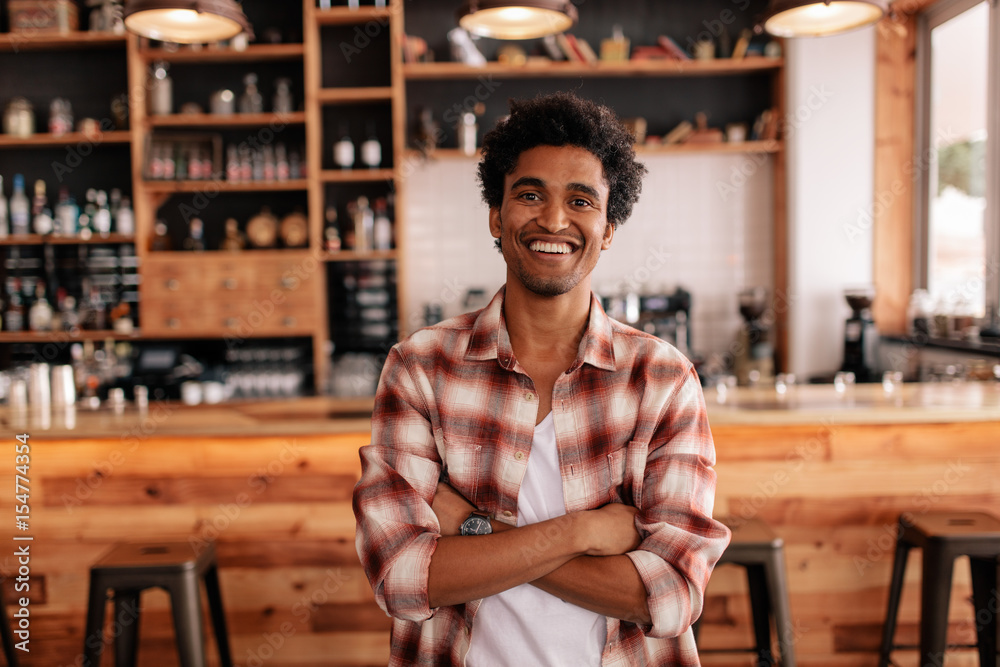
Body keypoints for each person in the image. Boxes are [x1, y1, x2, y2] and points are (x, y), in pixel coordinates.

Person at [353, 91, 731, 666]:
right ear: (496, 217)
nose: (553, 220)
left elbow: (671, 593)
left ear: (607, 229)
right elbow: (403, 577)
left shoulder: (661, 379)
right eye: (530, 194)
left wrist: (474, 531)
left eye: (581, 200)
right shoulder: (420, 369)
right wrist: (577, 533)